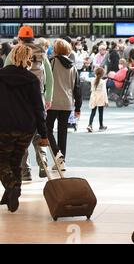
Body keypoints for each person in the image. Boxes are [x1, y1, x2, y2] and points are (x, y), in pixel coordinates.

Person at [0, 45, 49, 212]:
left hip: (4, 126)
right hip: (26, 128)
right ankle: (13, 193)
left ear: (12, 56)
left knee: (2, 160)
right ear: (29, 59)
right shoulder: (32, 79)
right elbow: (38, 108)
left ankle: (12, 186)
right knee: (15, 160)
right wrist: (43, 133)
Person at [3, 27, 54, 181]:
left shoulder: (14, 53)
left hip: (18, 102)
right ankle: (43, 161)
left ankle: (26, 171)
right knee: (39, 133)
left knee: (21, 137)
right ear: (33, 38)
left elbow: (6, 77)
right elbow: (50, 77)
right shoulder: (41, 53)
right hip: (37, 97)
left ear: (19, 38)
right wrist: (48, 97)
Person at [47, 39, 82, 171]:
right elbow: (77, 88)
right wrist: (78, 107)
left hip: (52, 102)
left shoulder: (52, 62)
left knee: (47, 130)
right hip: (67, 104)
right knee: (63, 132)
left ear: (55, 50)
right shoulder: (73, 67)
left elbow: (45, 81)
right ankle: (62, 162)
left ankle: (57, 155)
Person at [87, 67, 108, 133]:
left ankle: (90, 125)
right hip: (101, 98)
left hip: (93, 97)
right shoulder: (103, 82)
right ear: (102, 74)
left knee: (93, 112)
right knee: (100, 112)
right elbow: (104, 92)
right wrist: (106, 101)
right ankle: (101, 125)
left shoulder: (92, 80)